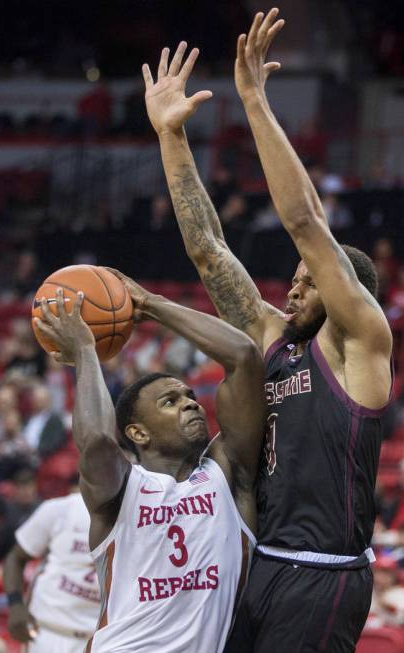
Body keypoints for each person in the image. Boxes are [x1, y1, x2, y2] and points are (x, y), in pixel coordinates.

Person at [142, 12, 393, 652]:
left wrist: (252, 98)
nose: (296, 286)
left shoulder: (360, 343)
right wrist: (172, 137)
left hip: (323, 574)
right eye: (296, 278)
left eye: (311, 281)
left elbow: (306, 222)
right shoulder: (278, 338)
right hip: (260, 558)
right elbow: (208, 251)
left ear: (347, 295)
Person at [32, 275, 266, 653]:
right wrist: (87, 351)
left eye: (189, 396)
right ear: (138, 433)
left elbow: (244, 357)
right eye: (169, 402)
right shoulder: (122, 490)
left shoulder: (227, 475)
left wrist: (152, 304)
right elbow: (96, 441)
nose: (190, 403)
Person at [3, 476, 100, 652]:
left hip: (102, 638)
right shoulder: (60, 509)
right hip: (48, 631)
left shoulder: (137, 519)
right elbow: (15, 558)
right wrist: (16, 604)